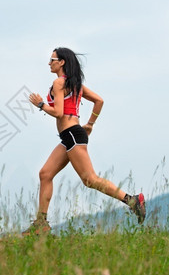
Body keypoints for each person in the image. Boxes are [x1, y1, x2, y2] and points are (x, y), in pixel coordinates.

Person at [23, 47, 146, 236]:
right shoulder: (75, 83)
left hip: (72, 134)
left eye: (52, 59)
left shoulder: (58, 83)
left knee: (89, 179)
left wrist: (41, 105)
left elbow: (58, 113)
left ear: (61, 62)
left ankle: (132, 200)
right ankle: (41, 224)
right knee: (45, 174)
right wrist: (89, 124)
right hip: (70, 136)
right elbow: (99, 101)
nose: (49, 62)